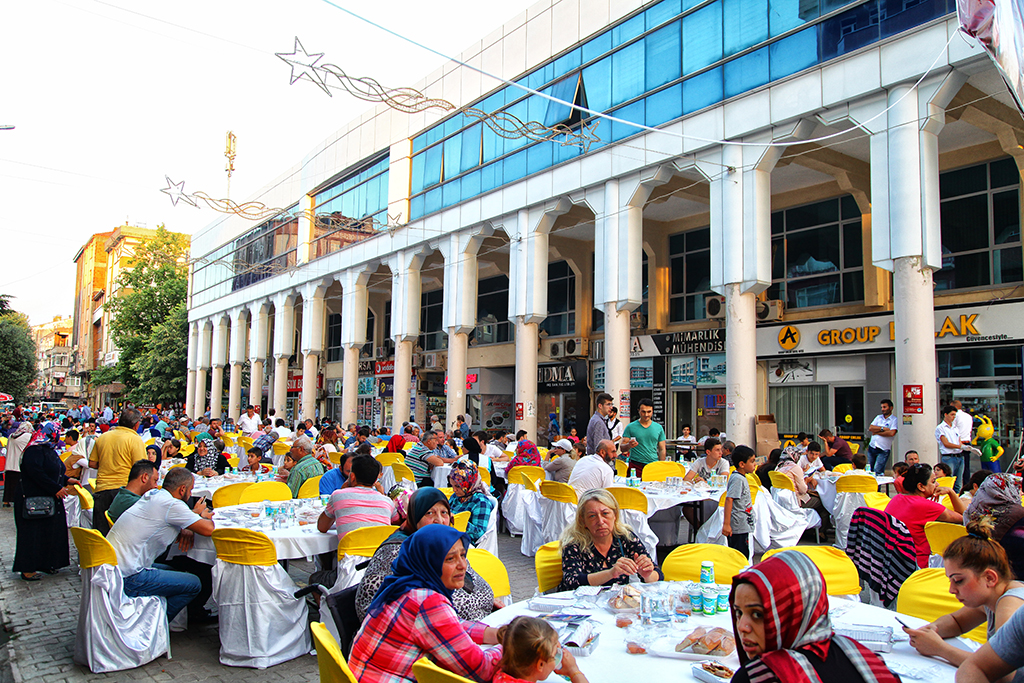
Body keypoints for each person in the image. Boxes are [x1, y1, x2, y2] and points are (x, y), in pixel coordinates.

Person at [348, 525, 503, 682]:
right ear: (429, 562)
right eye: (450, 558)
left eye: (463, 555)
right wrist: (514, 644)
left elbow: (449, 626)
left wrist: (493, 634)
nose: (463, 565)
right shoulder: (428, 602)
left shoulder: (403, 585)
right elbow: (479, 670)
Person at [729, 550, 900, 683]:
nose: (742, 626)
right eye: (738, 613)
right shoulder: (868, 660)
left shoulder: (761, 676)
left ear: (791, 612)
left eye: (758, 614)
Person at [354, 487, 496, 622]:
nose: (439, 521)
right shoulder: (399, 551)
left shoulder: (441, 545)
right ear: (415, 517)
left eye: (444, 513)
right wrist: (482, 603)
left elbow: (469, 577)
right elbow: (434, 608)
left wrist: (486, 598)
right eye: (430, 513)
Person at [903, 516, 1024, 670]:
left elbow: (1003, 671)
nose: (951, 590)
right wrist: (930, 630)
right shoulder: (992, 597)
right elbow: (957, 621)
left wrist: (940, 649)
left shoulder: (1010, 604)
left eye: (958, 580)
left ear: (989, 578)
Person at [105, 466, 215, 621]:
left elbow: (168, 517)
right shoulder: (172, 505)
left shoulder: (153, 494)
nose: (190, 494)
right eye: (190, 490)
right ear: (182, 489)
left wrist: (191, 518)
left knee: (176, 568)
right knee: (194, 584)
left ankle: (181, 615)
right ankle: (155, 625)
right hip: (129, 575)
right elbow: (208, 529)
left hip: (113, 568)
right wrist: (202, 516)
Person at [309, 455, 397, 587]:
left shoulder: (338, 496)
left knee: (315, 579)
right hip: (382, 569)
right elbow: (395, 522)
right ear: (375, 480)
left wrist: (342, 489)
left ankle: (331, 604)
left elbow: (322, 527)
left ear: (353, 476)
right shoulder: (387, 502)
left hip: (350, 572)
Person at [557, 488, 661, 591]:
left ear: (615, 515)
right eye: (592, 516)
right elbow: (571, 582)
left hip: (615, 603)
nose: (600, 521)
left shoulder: (625, 537)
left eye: (605, 514)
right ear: (583, 520)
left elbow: (658, 574)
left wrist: (647, 575)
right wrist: (611, 573)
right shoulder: (574, 543)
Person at [12, 423, 79, 581]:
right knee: (32, 534)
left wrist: (67, 480)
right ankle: (28, 569)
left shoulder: (47, 449)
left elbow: (53, 471)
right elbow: (36, 472)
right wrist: (55, 488)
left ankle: (46, 563)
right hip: (33, 500)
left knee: (49, 532)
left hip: (47, 499)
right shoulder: (34, 450)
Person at [886, 463, 965, 568]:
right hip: (917, 565)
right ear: (921, 486)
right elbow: (964, 517)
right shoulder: (925, 506)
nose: (937, 485)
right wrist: (951, 492)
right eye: (933, 481)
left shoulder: (896, 499)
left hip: (894, 561)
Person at [89, 407, 146, 535]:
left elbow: (92, 463)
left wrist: (108, 463)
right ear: (136, 424)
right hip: (124, 492)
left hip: (102, 489)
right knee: (122, 535)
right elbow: (141, 468)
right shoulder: (135, 439)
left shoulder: (103, 437)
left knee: (101, 533)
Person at [495, 615, 589, 683]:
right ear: (540, 664)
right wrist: (574, 671)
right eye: (555, 654)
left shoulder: (499, 674)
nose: (558, 656)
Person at [966, 474, 1024, 580]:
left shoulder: (973, 509)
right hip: (1011, 574)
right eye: (1018, 489)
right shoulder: (1018, 513)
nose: (1021, 493)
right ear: (1008, 489)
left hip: (980, 567)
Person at [775, 446, 832, 538]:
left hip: (781, 501)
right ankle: (821, 532)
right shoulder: (795, 467)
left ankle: (810, 531)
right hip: (795, 501)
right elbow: (803, 490)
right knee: (824, 504)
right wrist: (807, 481)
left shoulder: (779, 467)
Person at [447, 461, 495, 546]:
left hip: (465, 544)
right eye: (452, 485)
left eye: (458, 486)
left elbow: (480, 534)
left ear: (469, 484)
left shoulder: (480, 502)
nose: (454, 490)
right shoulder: (457, 497)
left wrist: (459, 520)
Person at [618, 399, 667, 478]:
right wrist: (629, 445)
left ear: (652, 411)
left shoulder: (658, 428)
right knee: (634, 489)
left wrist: (661, 465)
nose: (646, 414)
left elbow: (662, 449)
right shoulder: (630, 427)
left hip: (653, 465)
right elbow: (622, 448)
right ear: (638, 411)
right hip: (635, 464)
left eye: (649, 412)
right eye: (643, 411)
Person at [725, 446, 757, 558]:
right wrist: (726, 524)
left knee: (744, 553)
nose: (755, 464)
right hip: (738, 527)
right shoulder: (737, 479)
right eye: (752, 461)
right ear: (742, 464)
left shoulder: (742, 478)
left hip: (743, 525)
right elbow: (729, 499)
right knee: (739, 555)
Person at [937, 404, 968, 493]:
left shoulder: (955, 428)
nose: (953, 417)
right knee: (948, 481)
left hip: (959, 456)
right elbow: (946, 443)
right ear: (946, 415)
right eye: (952, 414)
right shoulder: (941, 428)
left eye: (955, 415)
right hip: (948, 457)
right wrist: (960, 446)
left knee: (958, 483)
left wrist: (965, 447)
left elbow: (959, 441)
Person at [2, 421, 33, 508]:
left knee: (8, 485)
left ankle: (6, 501)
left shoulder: (12, 436)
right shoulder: (28, 436)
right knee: (18, 485)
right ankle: (18, 500)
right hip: (19, 465)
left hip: (9, 464)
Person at [866, 399, 898, 476]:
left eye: (885, 407)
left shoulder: (894, 420)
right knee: (870, 470)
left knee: (878, 471)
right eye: (882, 407)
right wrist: (883, 429)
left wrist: (877, 432)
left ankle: (878, 488)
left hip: (883, 449)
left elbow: (891, 433)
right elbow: (871, 428)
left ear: (891, 408)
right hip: (872, 447)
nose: (882, 409)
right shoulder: (878, 417)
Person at [953, 400, 975, 491]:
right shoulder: (968, 416)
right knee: (966, 466)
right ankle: (966, 486)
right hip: (967, 441)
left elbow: (953, 430)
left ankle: (956, 487)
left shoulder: (955, 416)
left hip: (958, 443)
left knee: (956, 466)